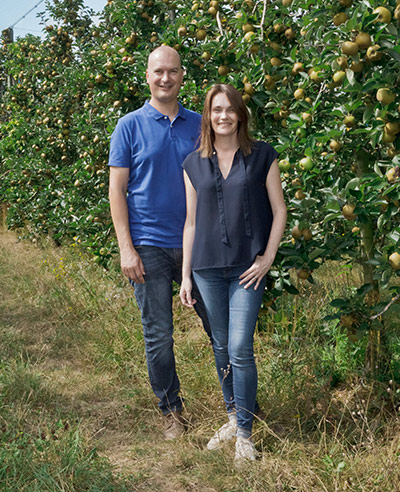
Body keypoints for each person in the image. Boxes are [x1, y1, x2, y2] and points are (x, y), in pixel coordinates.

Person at [108, 46, 212, 441]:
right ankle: (171, 410)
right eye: (158, 72)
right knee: (158, 334)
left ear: (182, 75)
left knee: (219, 325)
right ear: (147, 76)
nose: (165, 78)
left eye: (172, 72)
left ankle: (240, 403)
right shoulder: (129, 126)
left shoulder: (199, 125)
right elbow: (117, 191)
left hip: (198, 242)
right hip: (148, 244)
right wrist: (126, 248)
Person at [179, 84, 287, 463]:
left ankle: (245, 433)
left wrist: (267, 257)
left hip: (247, 269)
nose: (223, 116)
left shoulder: (262, 157)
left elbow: (280, 211)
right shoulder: (193, 163)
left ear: (240, 114)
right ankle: (231, 416)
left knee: (241, 347)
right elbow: (190, 222)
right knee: (221, 345)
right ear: (207, 116)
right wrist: (186, 276)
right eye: (215, 110)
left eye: (229, 109)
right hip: (206, 268)